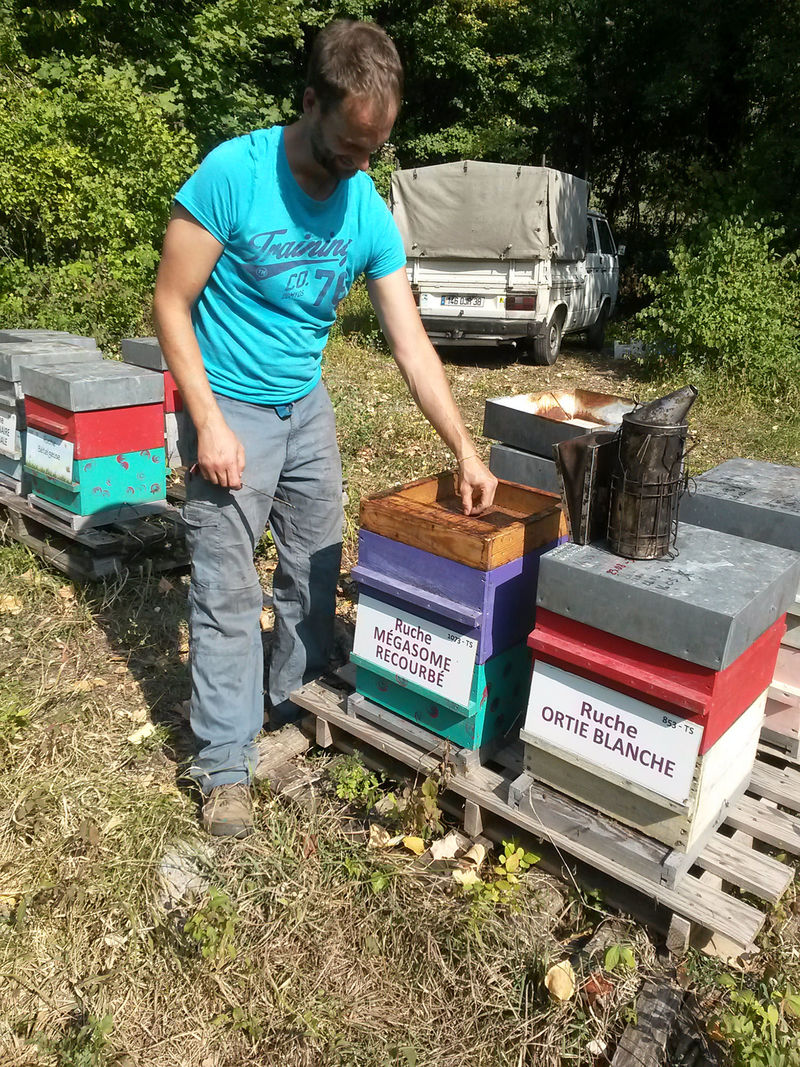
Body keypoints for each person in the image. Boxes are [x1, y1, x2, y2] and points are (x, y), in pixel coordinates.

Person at [153, 19, 497, 838]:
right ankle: (226, 763)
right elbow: (170, 303)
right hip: (227, 404)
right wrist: (206, 423)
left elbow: (410, 342)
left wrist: (463, 445)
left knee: (313, 571)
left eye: (376, 148)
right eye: (349, 144)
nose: (360, 163)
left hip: (306, 410)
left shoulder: (367, 210)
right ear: (311, 103)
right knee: (229, 593)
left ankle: (291, 711)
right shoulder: (232, 174)